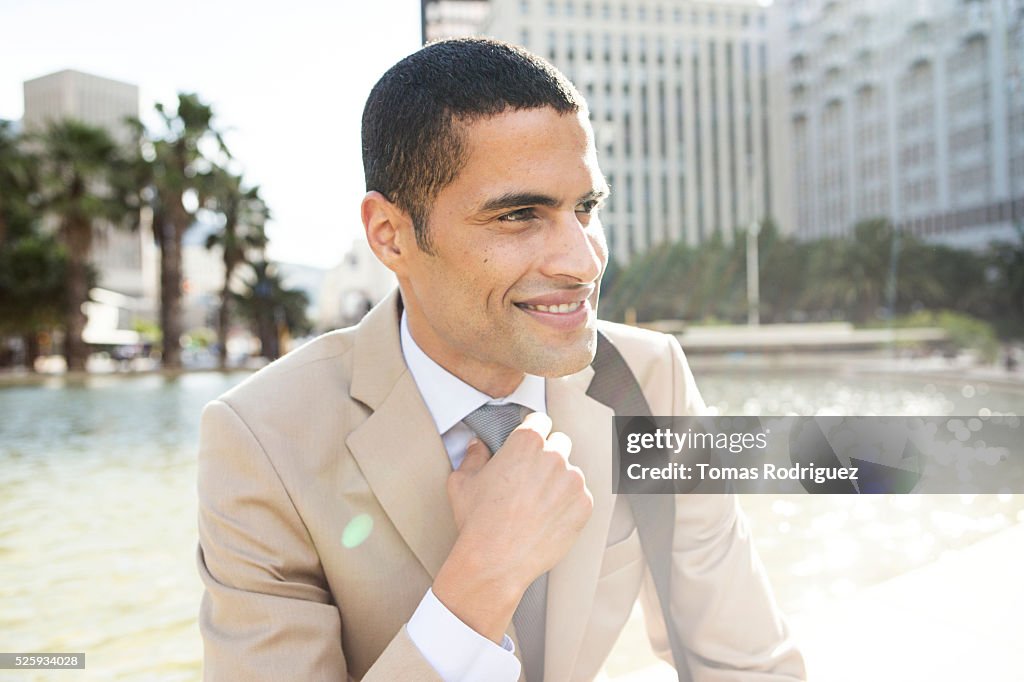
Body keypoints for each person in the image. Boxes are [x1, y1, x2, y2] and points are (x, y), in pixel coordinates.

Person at [196, 38, 805, 681]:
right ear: (390, 235)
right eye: (519, 215)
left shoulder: (651, 381)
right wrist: (486, 575)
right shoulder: (261, 439)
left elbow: (748, 664)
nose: (584, 261)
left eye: (586, 208)